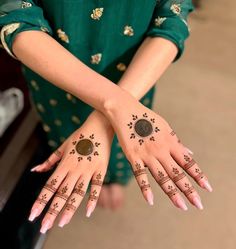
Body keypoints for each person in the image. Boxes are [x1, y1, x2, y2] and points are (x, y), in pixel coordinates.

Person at [0, 0, 212, 234]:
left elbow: (173, 14)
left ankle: (112, 180)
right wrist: (117, 106)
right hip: (56, 75)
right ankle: (100, 179)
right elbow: (16, 17)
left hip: (133, 74)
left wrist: (112, 110)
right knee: (65, 132)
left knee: (129, 146)